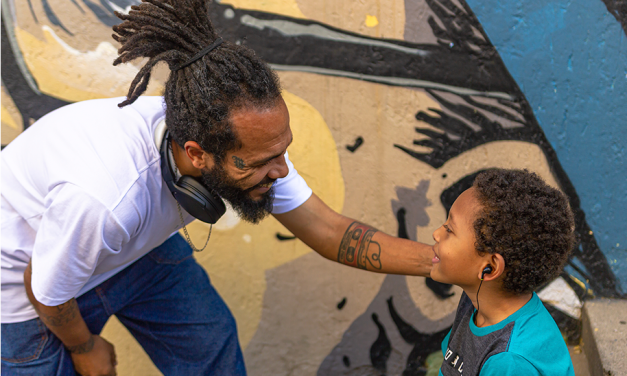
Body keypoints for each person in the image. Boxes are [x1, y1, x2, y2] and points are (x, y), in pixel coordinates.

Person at [0, 1, 434, 375]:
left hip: (125, 253)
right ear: (196, 154)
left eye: (282, 152)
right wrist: (85, 347)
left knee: (211, 345)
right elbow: (44, 287)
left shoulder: (252, 145)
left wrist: (440, 261)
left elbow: (329, 231)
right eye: (266, 162)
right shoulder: (107, 198)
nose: (281, 172)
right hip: (25, 286)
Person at [432, 169, 576, 376]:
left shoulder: (508, 361)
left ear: (489, 267)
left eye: (449, 229)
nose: (436, 233)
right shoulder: (476, 300)